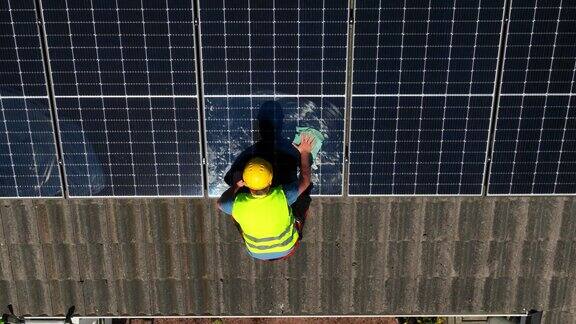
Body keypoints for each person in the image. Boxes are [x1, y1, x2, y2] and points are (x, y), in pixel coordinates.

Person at [217, 134, 315, 261]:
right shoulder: (282, 196)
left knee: (236, 213)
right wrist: (305, 152)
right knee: (302, 197)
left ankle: (238, 176)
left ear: (245, 182)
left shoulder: (237, 205)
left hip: (256, 252)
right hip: (286, 248)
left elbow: (220, 203)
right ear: (271, 181)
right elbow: (305, 180)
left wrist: (235, 186)